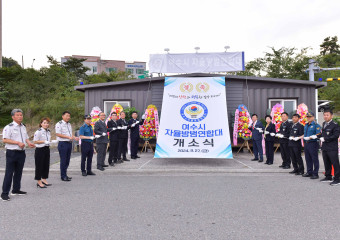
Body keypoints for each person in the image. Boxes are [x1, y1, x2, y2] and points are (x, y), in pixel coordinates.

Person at [1, 109, 35, 202]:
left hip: (21, 152)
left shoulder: (23, 126)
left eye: (21, 115)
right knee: (9, 173)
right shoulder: (9, 127)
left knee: (19, 172)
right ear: (13, 117)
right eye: (18, 115)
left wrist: (29, 143)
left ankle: (16, 190)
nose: (20, 116)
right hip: (12, 152)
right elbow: (5, 139)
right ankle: (4, 193)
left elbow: (26, 137)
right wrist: (17, 143)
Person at [56, 111, 79, 182]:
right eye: (67, 116)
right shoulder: (59, 124)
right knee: (63, 160)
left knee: (67, 160)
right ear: (63, 116)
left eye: (69, 116)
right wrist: (68, 137)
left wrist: (74, 137)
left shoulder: (69, 124)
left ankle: (65, 174)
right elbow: (58, 134)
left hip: (69, 143)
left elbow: (69, 134)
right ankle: (63, 176)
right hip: (63, 143)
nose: (68, 117)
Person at [319, 110, 340, 186]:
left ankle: (337, 179)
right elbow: (323, 133)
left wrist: (325, 139)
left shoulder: (335, 125)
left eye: (327, 115)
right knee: (326, 162)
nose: (325, 116)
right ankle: (328, 176)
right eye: (324, 115)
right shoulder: (324, 123)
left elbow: (336, 135)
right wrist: (319, 137)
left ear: (331, 116)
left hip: (332, 147)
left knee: (335, 163)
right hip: (324, 147)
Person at [33, 118, 55, 188]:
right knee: (39, 166)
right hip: (40, 150)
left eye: (47, 123)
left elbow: (48, 140)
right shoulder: (38, 131)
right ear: (41, 124)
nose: (46, 124)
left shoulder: (48, 131)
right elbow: (35, 141)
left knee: (46, 165)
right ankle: (39, 181)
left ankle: (44, 179)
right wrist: (44, 142)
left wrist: (52, 141)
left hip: (46, 149)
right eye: (44, 123)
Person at [303, 112, 321, 179]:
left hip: (313, 143)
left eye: (310, 117)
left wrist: (311, 137)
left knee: (314, 159)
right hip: (306, 143)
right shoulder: (306, 125)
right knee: (308, 158)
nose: (308, 118)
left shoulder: (316, 125)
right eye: (307, 117)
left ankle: (315, 173)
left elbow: (319, 134)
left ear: (313, 117)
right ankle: (309, 172)